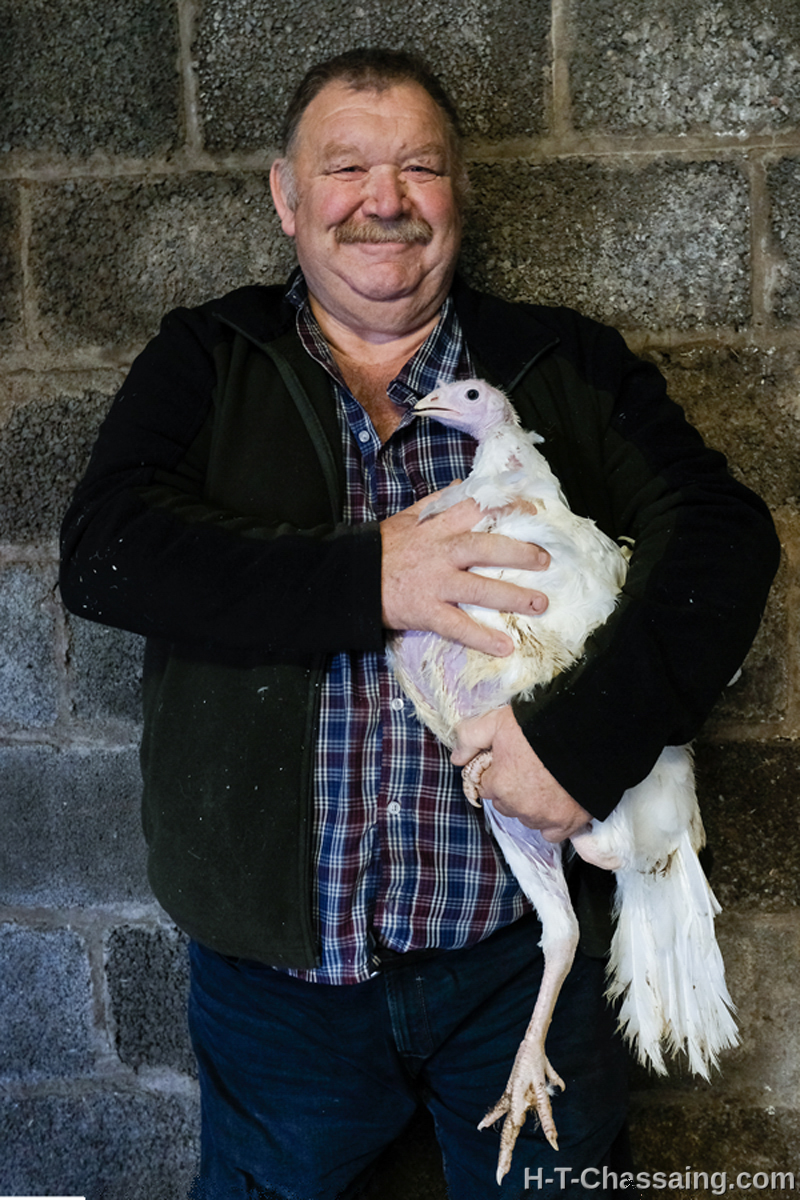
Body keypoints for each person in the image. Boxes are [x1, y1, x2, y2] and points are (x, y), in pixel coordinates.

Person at [59, 48, 779, 1200]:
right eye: (344, 167)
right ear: (286, 197)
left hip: (517, 963)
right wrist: (372, 579)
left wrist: (579, 744)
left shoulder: (558, 364)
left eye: (419, 168)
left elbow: (721, 538)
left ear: (457, 194)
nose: (382, 200)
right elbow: (105, 554)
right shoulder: (209, 359)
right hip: (276, 988)